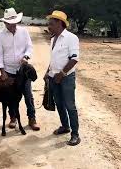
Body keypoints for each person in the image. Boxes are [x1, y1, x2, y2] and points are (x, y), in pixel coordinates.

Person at [0, 8, 40, 131]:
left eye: (13, 23)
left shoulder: (24, 32)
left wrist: (26, 56)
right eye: (9, 24)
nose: (11, 26)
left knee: (28, 95)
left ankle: (32, 119)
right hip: (9, 71)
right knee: (11, 96)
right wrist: (2, 72)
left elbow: (29, 46)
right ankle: (13, 118)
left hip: (23, 70)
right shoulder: (0, 36)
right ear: (5, 23)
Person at [45, 10, 81, 146]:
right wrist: (47, 72)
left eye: (51, 23)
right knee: (59, 104)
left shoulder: (71, 38)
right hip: (54, 77)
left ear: (60, 23)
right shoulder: (53, 39)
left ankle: (75, 134)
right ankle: (65, 127)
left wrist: (61, 74)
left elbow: (74, 58)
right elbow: (54, 59)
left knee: (69, 105)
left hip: (66, 78)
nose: (49, 26)